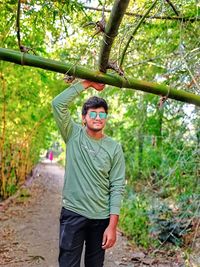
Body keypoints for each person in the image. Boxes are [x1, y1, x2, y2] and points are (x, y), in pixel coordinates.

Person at [52, 80, 125, 267]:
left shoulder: (114, 148)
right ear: (84, 117)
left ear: (106, 119)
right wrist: (88, 82)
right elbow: (58, 104)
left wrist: (112, 225)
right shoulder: (72, 134)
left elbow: (117, 187)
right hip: (73, 214)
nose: (97, 117)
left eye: (102, 114)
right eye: (93, 113)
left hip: (101, 219)